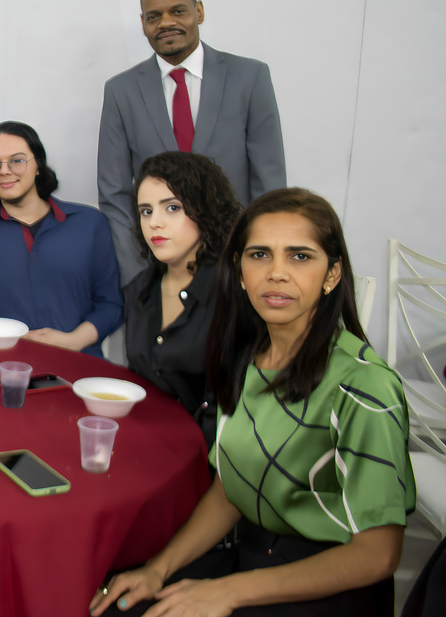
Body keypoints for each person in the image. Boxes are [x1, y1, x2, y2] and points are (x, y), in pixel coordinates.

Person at [90, 188, 415, 617]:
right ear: (240, 272)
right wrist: (157, 568)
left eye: (300, 256)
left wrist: (228, 592)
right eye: (260, 255)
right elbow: (232, 488)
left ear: (332, 274)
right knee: (115, 597)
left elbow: (377, 555)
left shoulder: (365, 387)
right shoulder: (245, 358)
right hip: (254, 553)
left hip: (329, 582)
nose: (276, 273)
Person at [98, 0, 285, 283]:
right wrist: (140, 274)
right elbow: (114, 196)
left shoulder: (250, 78)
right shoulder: (121, 91)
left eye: (178, 11)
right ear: (143, 23)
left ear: (198, 11)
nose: (166, 22)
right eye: (154, 16)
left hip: (235, 266)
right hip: (157, 271)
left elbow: (270, 185)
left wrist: (254, 260)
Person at [0, 122, 121, 355]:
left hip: (81, 368)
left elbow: (111, 304)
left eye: (17, 160)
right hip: (1, 369)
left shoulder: (90, 223)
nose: (4, 171)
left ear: (38, 165)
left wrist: (74, 341)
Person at [123, 151, 240, 444]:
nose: (154, 223)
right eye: (146, 211)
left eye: (172, 208)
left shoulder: (233, 291)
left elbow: (234, 409)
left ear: (205, 211)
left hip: (210, 459)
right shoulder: (139, 289)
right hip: (144, 442)